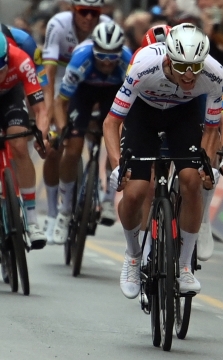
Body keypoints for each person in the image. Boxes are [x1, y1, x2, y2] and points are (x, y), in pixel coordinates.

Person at [103, 23, 223, 299]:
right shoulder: (143, 66)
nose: (189, 75)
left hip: (183, 116)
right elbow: (111, 121)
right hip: (144, 115)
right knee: (136, 190)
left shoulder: (214, 74)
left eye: (195, 67)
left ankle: (185, 265)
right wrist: (117, 166)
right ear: (167, 59)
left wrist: (208, 167)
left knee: (191, 180)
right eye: (181, 67)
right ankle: (132, 256)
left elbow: (213, 128)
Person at [130, 24, 223, 263]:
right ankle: (148, 246)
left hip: (190, 112)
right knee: (147, 184)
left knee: (201, 168)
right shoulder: (143, 67)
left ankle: (201, 216)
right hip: (151, 116)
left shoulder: (202, 76)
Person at [52, 21, 132, 244]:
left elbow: (135, 103)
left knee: (117, 139)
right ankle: (64, 210)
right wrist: (62, 130)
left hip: (114, 94)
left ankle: (108, 200)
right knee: (73, 147)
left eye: (112, 58)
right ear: (93, 51)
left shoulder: (128, 61)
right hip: (83, 93)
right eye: (102, 57)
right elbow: (60, 103)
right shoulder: (81, 60)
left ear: (120, 54)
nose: (107, 63)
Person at [42, 0, 111, 244]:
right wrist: (50, 114)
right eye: (84, 12)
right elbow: (48, 76)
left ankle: (95, 176)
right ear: (73, 9)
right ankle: (53, 214)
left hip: (90, 83)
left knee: (94, 130)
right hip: (62, 80)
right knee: (54, 149)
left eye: (95, 12)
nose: (89, 18)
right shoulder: (58, 26)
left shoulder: (107, 29)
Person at [0, 35, 50, 248]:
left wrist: (42, 136)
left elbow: (40, 109)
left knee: (19, 142)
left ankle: (31, 219)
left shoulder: (21, 59)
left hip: (11, 96)